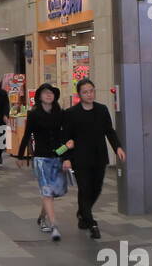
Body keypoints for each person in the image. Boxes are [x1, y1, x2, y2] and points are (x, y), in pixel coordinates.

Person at [63, 79, 123, 239]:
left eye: (91, 91)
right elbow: (66, 138)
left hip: (99, 157)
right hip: (80, 159)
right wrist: (66, 158)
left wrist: (117, 147)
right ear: (79, 94)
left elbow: (109, 131)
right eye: (85, 92)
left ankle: (82, 214)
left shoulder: (102, 110)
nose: (89, 94)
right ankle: (92, 224)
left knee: (96, 189)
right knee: (85, 190)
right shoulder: (71, 113)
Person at [26, 83, 70, 242]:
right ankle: (54, 225)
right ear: (39, 96)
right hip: (40, 158)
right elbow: (27, 135)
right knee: (47, 191)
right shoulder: (34, 114)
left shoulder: (60, 114)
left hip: (57, 156)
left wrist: (66, 156)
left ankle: (42, 217)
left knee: (53, 192)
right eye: (45, 93)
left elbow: (65, 136)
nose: (49, 95)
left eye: (51, 93)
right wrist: (19, 156)